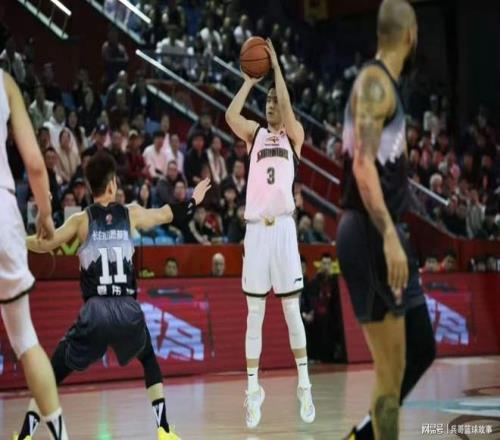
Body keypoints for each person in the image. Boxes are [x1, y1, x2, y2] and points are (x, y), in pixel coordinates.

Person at [19, 151, 211, 440]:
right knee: (148, 359)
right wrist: (194, 199)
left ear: (91, 186)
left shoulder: (80, 221)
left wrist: (13, 240)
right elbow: (169, 213)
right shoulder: (130, 213)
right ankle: (164, 430)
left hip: (95, 312)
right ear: (111, 185)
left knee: (51, 373)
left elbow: (45, 244)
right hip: (127, 309)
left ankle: (24, 436)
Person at [336, 2, 436, 439]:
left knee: (422, 348)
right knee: (390, 373)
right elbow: (362, 166)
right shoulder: (375, 83)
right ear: (410, 34)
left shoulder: (386, 86)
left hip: (386, 230)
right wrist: (390, 235)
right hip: (370, 231)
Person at [225, 38, 315, 429]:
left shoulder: (295, 135)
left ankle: (304, 385)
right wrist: (250, 80)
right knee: (255, 314)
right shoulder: (255, 135)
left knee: (292, 310)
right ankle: (252, 390)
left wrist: (276, 68)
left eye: (275, 100)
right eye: (267, 101)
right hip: (256, 233)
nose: (270, 105)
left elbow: (287, 106)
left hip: (284, 230)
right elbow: (230, 115)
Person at [0, 70, 68, 439]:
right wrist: (45, 214)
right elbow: (36, 165)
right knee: (26, 339)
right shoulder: (5, 82)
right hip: (3, 210)